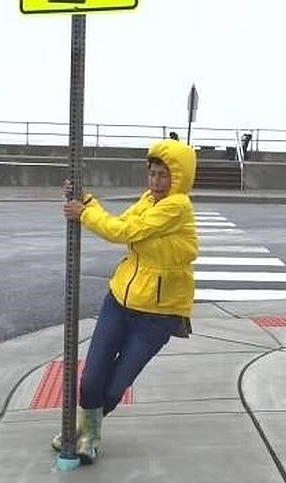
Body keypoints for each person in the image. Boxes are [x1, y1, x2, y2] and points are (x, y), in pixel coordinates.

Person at [52, 138, 199, 464]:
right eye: (152, 174)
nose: (156, 182)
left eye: (164, 176)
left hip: (157, 317)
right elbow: (122, 224)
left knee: (113, 389)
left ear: (179, 178)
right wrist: (86, 200)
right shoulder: (148, 200)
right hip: (119, 302)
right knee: (90, 380)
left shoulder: (177, 207)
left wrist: (83, 212)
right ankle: (86, 435)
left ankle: (85, 432)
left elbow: (122, 231)